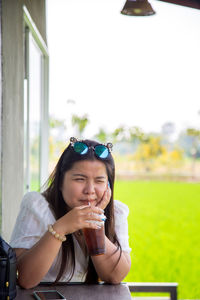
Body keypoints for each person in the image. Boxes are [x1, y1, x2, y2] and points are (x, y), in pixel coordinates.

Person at [10, 137, 131, 289]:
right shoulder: (37, 205)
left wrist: (94, 222)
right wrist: (61, 228)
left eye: (99, 181)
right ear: (60, 182)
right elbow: (25, 279)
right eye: (80, 179)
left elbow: (114, 276)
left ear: (108, 184)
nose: (90, 190)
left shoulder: (116, 212)